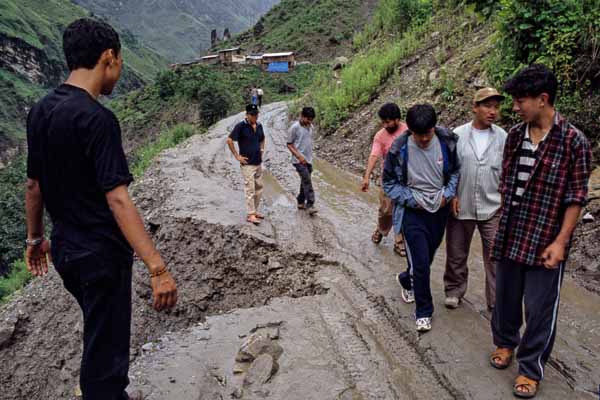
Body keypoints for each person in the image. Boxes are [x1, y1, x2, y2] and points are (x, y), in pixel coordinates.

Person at [24, 18, 178, 400]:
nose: (120, 68)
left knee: (98, 335)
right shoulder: (98, 120)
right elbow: (118, 198)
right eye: (120, 60)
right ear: (108, 57)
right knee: (105, 365)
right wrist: (157, 268)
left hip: (65, 252)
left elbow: (33, 185)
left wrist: (34, 238)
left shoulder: (41, 111)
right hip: (101, 257)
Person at [489, 64, 591, 399]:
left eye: (520, 101)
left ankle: (530, 368)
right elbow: (507, 183)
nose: (515, 108)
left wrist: (561, 242)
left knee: (539, 308)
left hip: (547, 239)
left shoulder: (573, 142)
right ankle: (505, 343)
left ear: (543, 99)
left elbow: (576, 197)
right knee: (504, 296)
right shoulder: (516, 136)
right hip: (512, 231)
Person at [383, 104, 459, 332]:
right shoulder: (399, 149)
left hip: (439, 211)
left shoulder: (447, 142)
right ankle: (424, 311)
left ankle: (406, 279)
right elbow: (388, 183)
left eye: (428, 134)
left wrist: (448, 194)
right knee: (422, 264)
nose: (424, 139)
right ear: (410, 131)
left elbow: (455, 171)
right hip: (412, 212)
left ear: (434, 128)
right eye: (419, 135)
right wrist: (411, 200)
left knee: (426, 259)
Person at [444, 88, 507, 311]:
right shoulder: (457, 135)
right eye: (487, 106)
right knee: (457, 252)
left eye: (496, 107)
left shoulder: (502, 137)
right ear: (475, 107)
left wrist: (504, 197)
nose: (492, 111)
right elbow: (447, 169)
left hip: (492, 207)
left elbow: (507, 171)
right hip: (462, 204)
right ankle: (454, 290)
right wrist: (451, 195)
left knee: (496, 256)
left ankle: (495, 300)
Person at [361, 103, 408, 256]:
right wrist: (367, 176)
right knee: (386, 210)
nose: (385, 125)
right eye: (383, 122)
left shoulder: (408, 131)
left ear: (397, 119)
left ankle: (399, 240)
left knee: (403, 210)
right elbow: (374, 155)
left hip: (407, 179)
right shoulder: (380, 136)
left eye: (388, 122)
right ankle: (381, 229)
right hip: (388, 179)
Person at [227, 104, 266, 225]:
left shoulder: (259, 125)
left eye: (256, 114)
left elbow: (262, 138)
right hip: (247, 164)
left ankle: (254, 211)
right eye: (252, 114)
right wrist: (237, 156)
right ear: (247, 115)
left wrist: (262, 150)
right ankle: (250, 214)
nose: (255, 116)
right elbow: (229, 140)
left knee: (259, 187)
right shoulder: (241, 126)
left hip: (258, 162)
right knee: (250, 189)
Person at [287, 107, 318, 216]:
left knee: (305, 180)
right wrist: (299, 156)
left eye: (311, 120)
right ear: (302, 115)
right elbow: (289, 144)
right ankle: (310, 204)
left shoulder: (310, 126)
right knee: (307, 180)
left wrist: (308, 157)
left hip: (308, 159)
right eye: (307, 119)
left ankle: (300, 201)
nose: (309, 122)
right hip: (298, 160)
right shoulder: (294, 128)